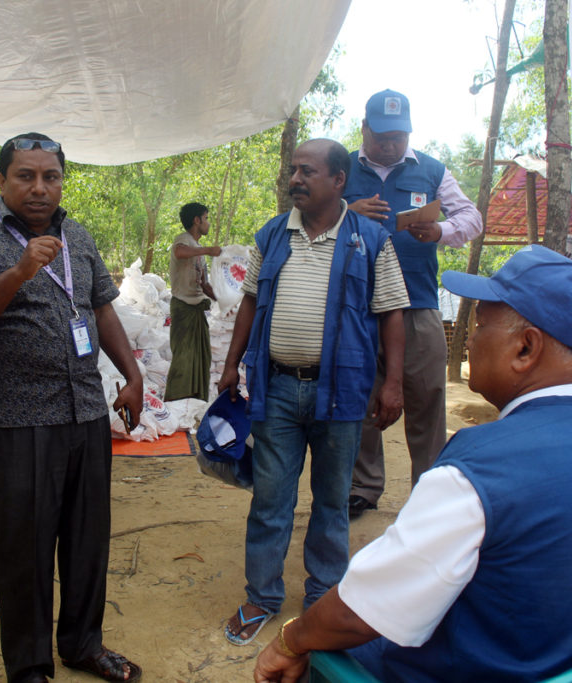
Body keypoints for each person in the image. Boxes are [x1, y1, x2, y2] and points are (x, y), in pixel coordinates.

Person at [252, 245, 572, 683]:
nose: (470, 338)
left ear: (525, 348)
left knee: (321, 651)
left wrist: (292, 638)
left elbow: (362, 609)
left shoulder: (480, 468)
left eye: (481, 324)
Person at [0, 133, 143, 683]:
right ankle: (29, 665)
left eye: (49, 176)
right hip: (17, 418)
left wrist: (132, 373)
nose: (38, 188)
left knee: (87, 539)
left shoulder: (76, 233)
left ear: (61, 181)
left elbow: (99, 306)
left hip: (84, 410)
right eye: (25, 176)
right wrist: (19, 272)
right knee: (25, 550)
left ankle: (82, 644)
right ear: (3, 181)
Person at [218, 138, 409, 646]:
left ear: (339, 181)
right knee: (270, 500)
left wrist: (392, 384)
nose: (295, 179)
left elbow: (392, 312)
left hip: (342, 392)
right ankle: (262, 597)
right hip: (277, 387)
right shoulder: (273, 234)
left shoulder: (370, 239)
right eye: (293, 170)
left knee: (331, 500)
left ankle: (325, 595)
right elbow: (251, 301)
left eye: (308, 171)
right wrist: (232, 363)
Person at [344, 89, 483, 518]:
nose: (390, 145)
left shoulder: (432, 170)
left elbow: (472, 218)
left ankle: (429, 490)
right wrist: (348, 212)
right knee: (362, 397)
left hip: (417, 304)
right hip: (357, 306)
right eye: (382, 135)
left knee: (426, 396)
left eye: (399, 136)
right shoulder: (341, 167)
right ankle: (363, 487)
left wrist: (440, 230)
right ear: (364, 129)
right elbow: (306, 215)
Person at [164, 201, 221, 401]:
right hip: (183, 310)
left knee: (202, 359)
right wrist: (207, 250)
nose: (208, 223)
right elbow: (180, 252)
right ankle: (176, 404)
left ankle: (195, 403)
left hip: (197, 312)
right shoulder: (184, 240)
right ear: (197, 220)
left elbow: (204, 285)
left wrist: (224, 300)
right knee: (184, 361)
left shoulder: (197, 250)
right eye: (206, 219)